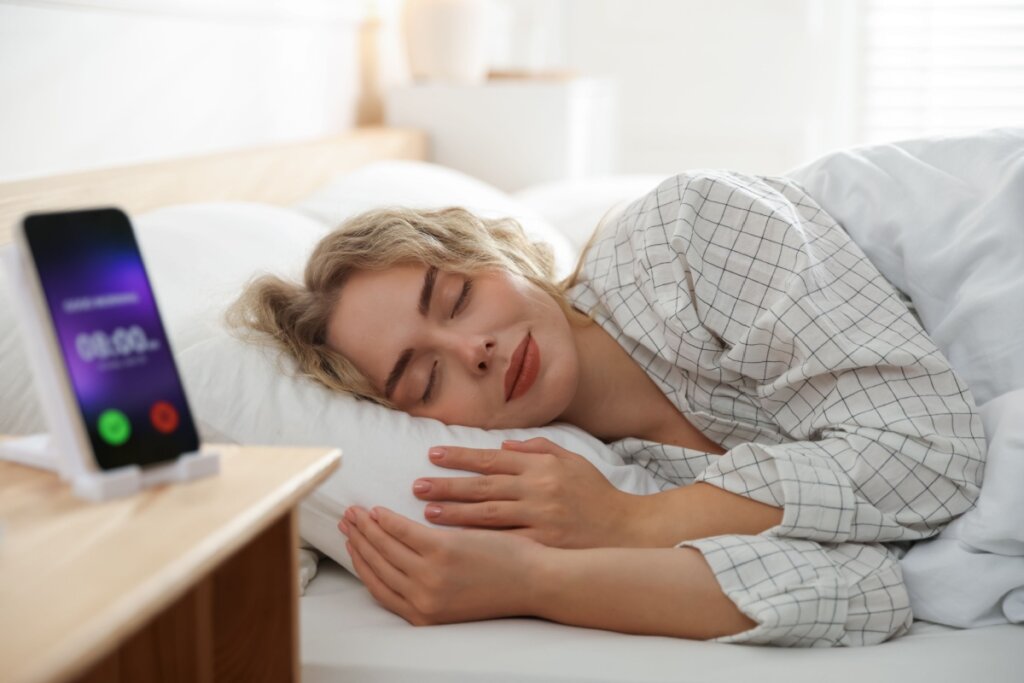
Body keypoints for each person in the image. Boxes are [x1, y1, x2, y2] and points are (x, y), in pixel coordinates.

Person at [227, 171, 986, 646]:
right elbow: (865, 590)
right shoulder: (594, 472)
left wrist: (634, 526)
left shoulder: (689, 233)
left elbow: (931, 458)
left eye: (457, 298)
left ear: (499, 251)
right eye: (424, 380)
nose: (473, 351)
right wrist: (533, 578)